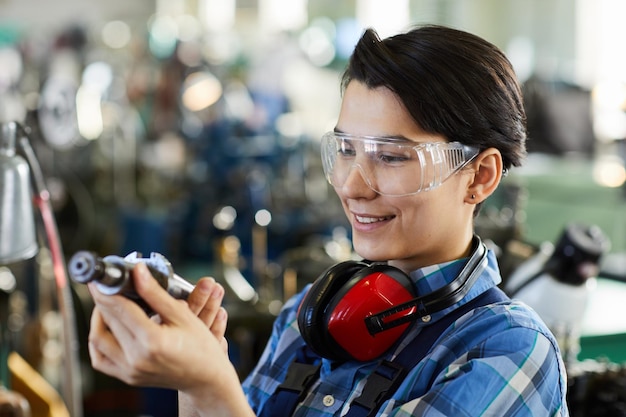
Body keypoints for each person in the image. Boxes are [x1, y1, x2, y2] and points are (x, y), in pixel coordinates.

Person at [86, 24, 569, 416]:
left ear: (480, 177)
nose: (352, 185)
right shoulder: (309, 319)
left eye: (391, 157)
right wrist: (191, 381)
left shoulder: (506, 351)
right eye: (345, 149)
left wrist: (212, 385)